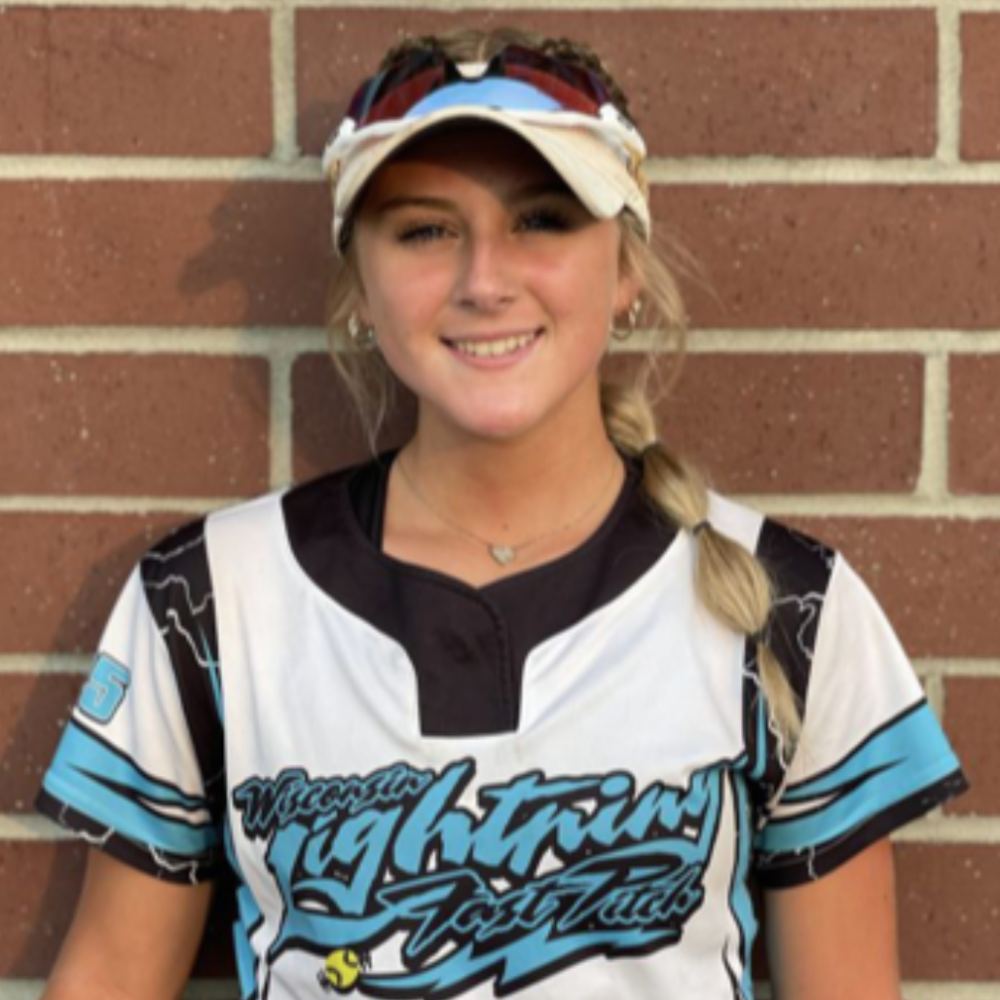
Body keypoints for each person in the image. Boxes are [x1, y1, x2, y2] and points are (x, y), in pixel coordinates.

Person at [37, 26, 966, 1000]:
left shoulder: (788, 607)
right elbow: (108, 977)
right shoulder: (211, 600)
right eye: (425, 231)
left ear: (624, 270)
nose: (485, 281)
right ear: (359, 289)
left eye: (542, 220)